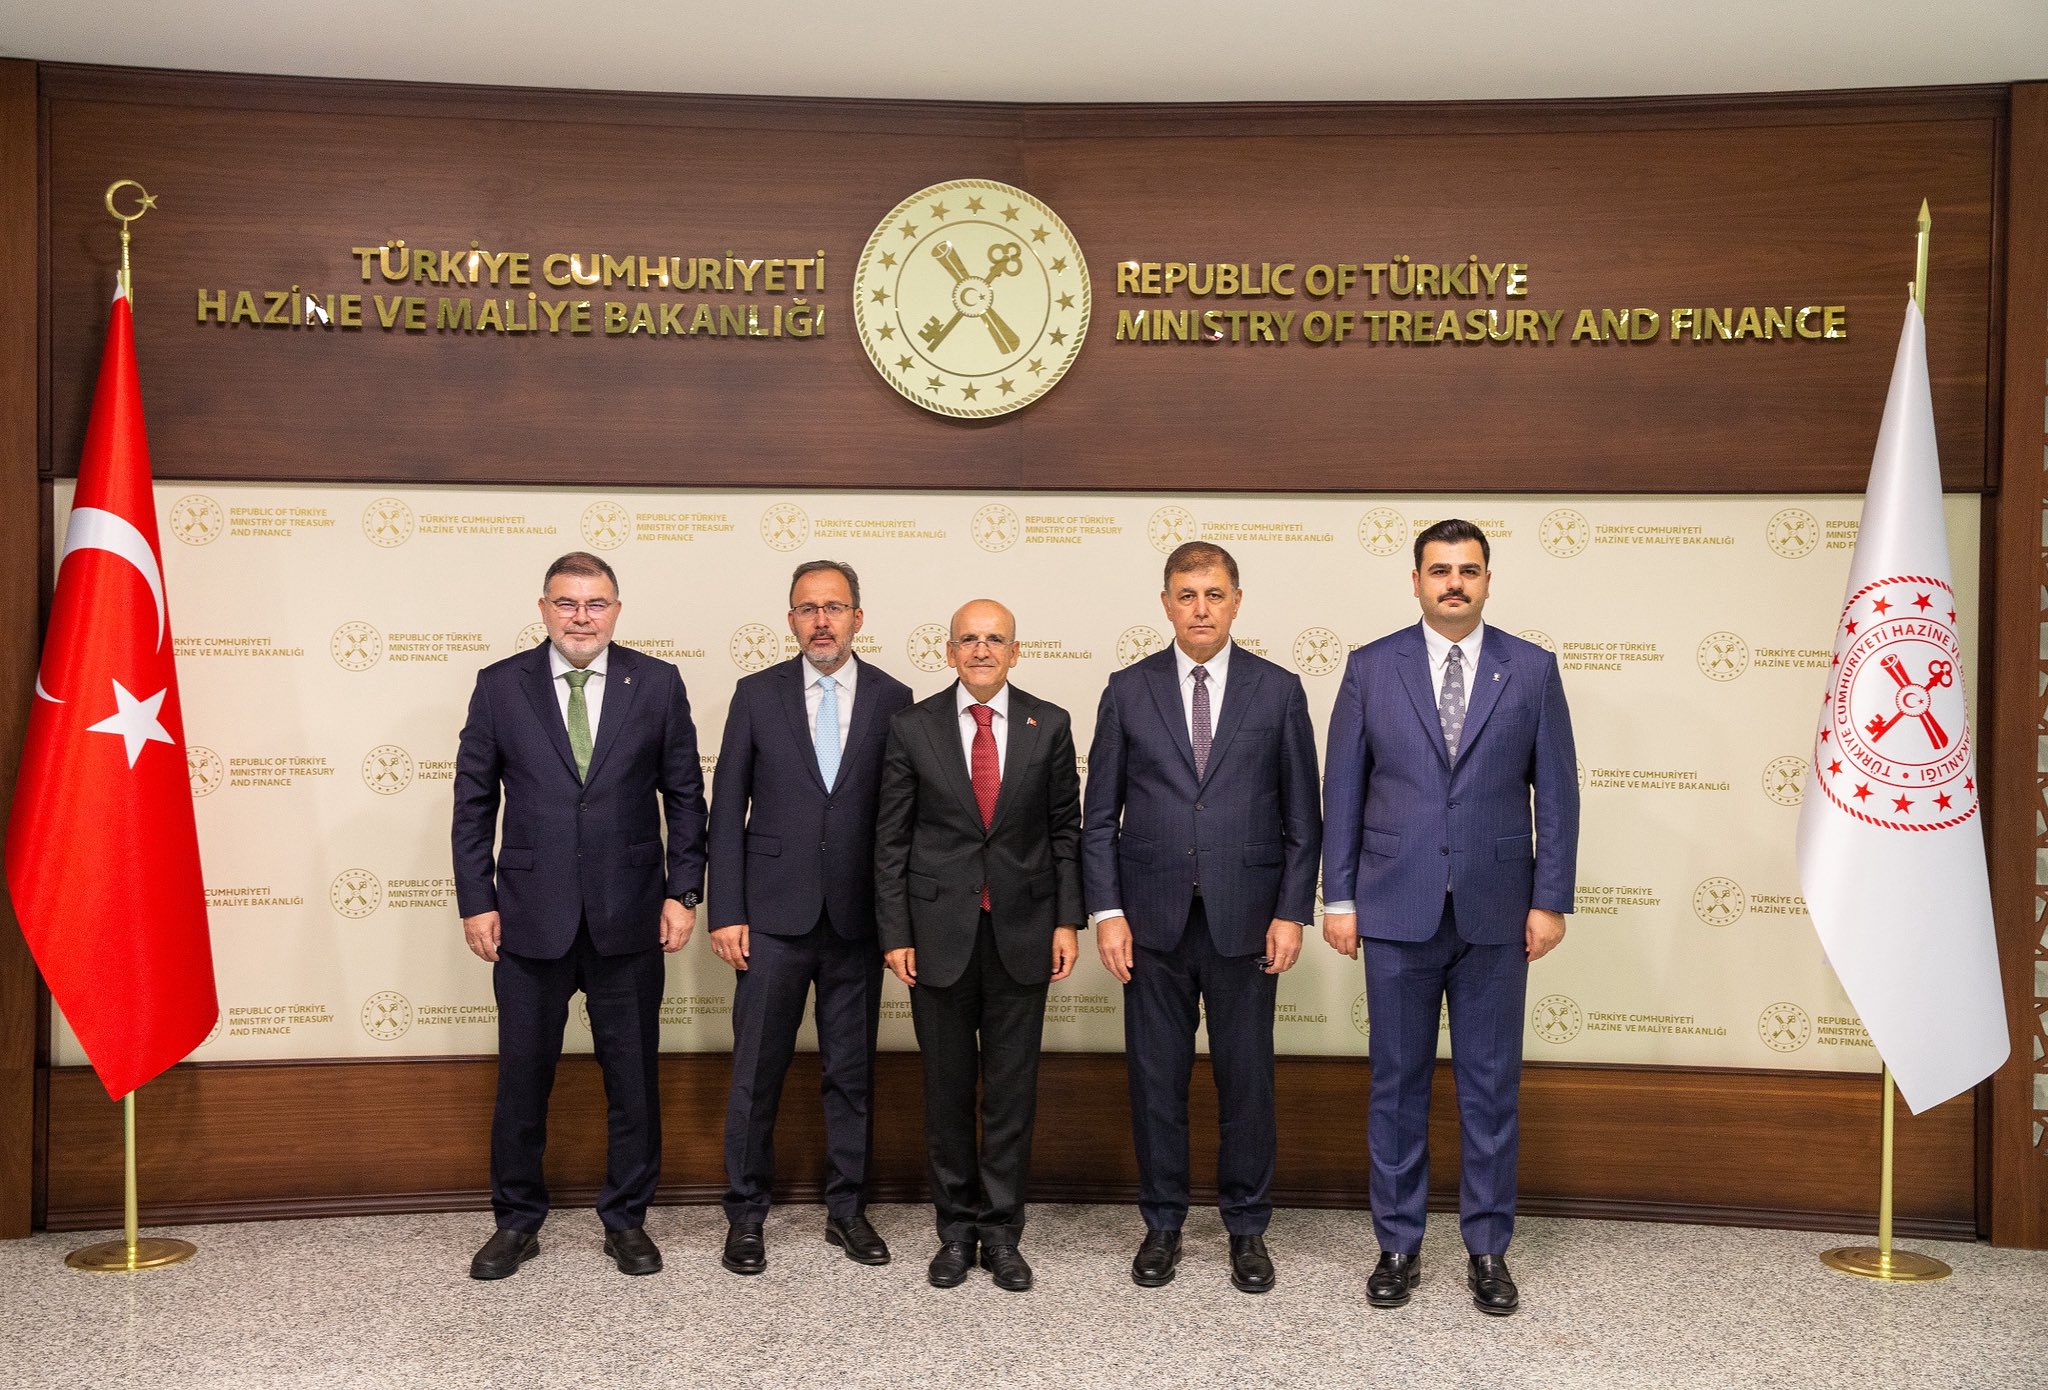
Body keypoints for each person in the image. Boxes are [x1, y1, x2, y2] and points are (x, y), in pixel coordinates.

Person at [1321, 518, 1579, 1316]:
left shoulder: (1531, 669)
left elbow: (1558, 794)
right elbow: (1343, 791)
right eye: (1440, 570)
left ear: (1488, 580)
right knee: (1396, 1084)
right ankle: (1397, 1244)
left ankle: (1488, 1249)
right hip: (1394, 906)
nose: (1454, 583)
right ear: (1416, 582)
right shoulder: (1371, 667)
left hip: (1497, 911)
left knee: (1491, 1087)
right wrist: (1339, 897)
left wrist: (1550, 899)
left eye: (1468, 570)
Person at [452, 551, 706, 1279]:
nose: (582, 617)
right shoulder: (500, 686)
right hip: (529, 919)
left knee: (633, 1082)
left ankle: (626, 1220)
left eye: (596, 604)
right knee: (522, 1081)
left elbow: (686, 797)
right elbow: (473, 803)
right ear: (543, 609)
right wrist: (477, 901)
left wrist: (683, 892)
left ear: (616, 611)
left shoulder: (656, 683)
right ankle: (516, 1222)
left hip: (632, 915)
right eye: (567, 603)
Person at [1082, 541, 1321, 1294]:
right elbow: (1099, 818)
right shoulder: (1127, 690)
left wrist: (1291, 911)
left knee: (1247, 1082)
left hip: (1247, 922)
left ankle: (1247, 1228)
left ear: (1237, 602)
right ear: (1166, 604)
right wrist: (1107, 912)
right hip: (1149, 924)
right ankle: (1163, 1224)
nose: (1201, 609)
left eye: (1214, 594)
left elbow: (1303, 820)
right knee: (1157, 1082)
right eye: (1186, 595)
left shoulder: (1278, 691)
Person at [706, 559, 913, 1275]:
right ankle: (745, 1215)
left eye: (834, 607)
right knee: (755, 1073)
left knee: (851, 1074)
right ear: (790, 619)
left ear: (858, 617)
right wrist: (726, 910)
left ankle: (848, 1211)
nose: (821, 621)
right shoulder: (756, 694)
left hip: (857, 922)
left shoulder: (895, 698)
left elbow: (901, 820)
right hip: (769, 919)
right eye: (807, 609)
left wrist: (897, 923)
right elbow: (726, 807)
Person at [874, 599, 1083, 1293]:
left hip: (1023, 934)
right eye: (969, 639)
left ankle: (1001, 1234)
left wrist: (1066, 921)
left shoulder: (1049, 723)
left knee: (1011, 1095)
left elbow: (1066, 831)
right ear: (949, 651)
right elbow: (891, 840)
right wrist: (895, 933)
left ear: (1016, 652)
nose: (982, 650)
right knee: (946, 1092)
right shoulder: (912, 726)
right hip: (936, 938)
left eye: (995, 639)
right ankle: (956, 1232)